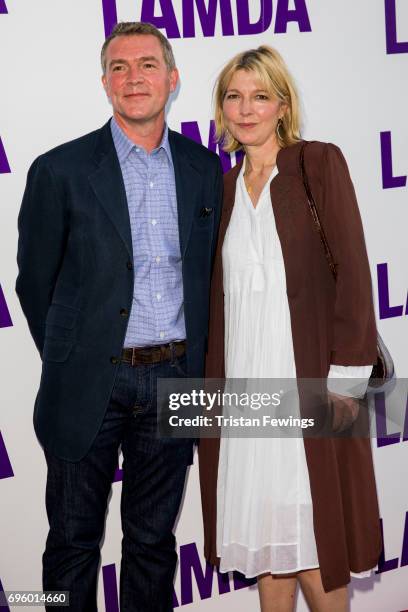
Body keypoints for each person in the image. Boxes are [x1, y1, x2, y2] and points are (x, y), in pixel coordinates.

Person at [16, 21, 222, 612]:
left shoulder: (204, 168)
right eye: (120, 67)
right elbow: (35, 284)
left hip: (176, 382)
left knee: (153, 544)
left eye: (148, 65)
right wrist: (73, 354)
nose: (135, 78)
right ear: (105, 83)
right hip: (85, 385)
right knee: (72, 546)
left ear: (172, 78)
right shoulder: (59, 170)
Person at [199, 46, 381, 612]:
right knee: (264, 539)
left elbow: (353, 269)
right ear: (221, 107)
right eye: (234, 96)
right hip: (245, 388)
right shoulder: (222, 188)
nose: (245, 109)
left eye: (259, 96)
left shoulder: (317, 164)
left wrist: (346, 382)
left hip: (308, 382)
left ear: (282, 104)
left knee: (313, 537)